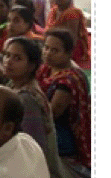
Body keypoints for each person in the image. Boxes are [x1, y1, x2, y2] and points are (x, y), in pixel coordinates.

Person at [3, 37, 88, 178]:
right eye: (7, 55)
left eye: (17, 58)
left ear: (31, 66)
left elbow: (34, 147)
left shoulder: (26, 99)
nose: (8, 61)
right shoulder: (13, 84)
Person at [37, 29, 91, 169]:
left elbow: (51, 114)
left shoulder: (68, 80)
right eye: (46, 48)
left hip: (59, 135)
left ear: (68, 53)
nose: (48, 53)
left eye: (55, 50)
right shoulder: (46, 70)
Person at [45, 0, 90, 66]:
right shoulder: (54, 10)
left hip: (69, 51)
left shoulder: (72, 13)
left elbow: (72, 38)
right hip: (53, 46)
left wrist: (64, 56)